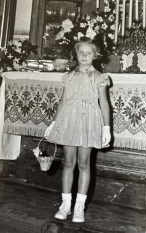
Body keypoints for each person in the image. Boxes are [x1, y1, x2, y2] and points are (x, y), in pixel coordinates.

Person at [44, 37, 111, 223]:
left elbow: (104, 103)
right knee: (68, 162)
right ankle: (65, 204)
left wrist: (106, 128)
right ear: (76, 54)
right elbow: (63, 101)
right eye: (81, 52)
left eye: (88, 53)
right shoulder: (69, 76)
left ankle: (79, 207)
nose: (84, 56)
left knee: (83, 163)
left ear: (95, 56)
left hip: (89, 122)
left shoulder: (100, 77)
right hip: (70, 121)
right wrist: (53, 123)